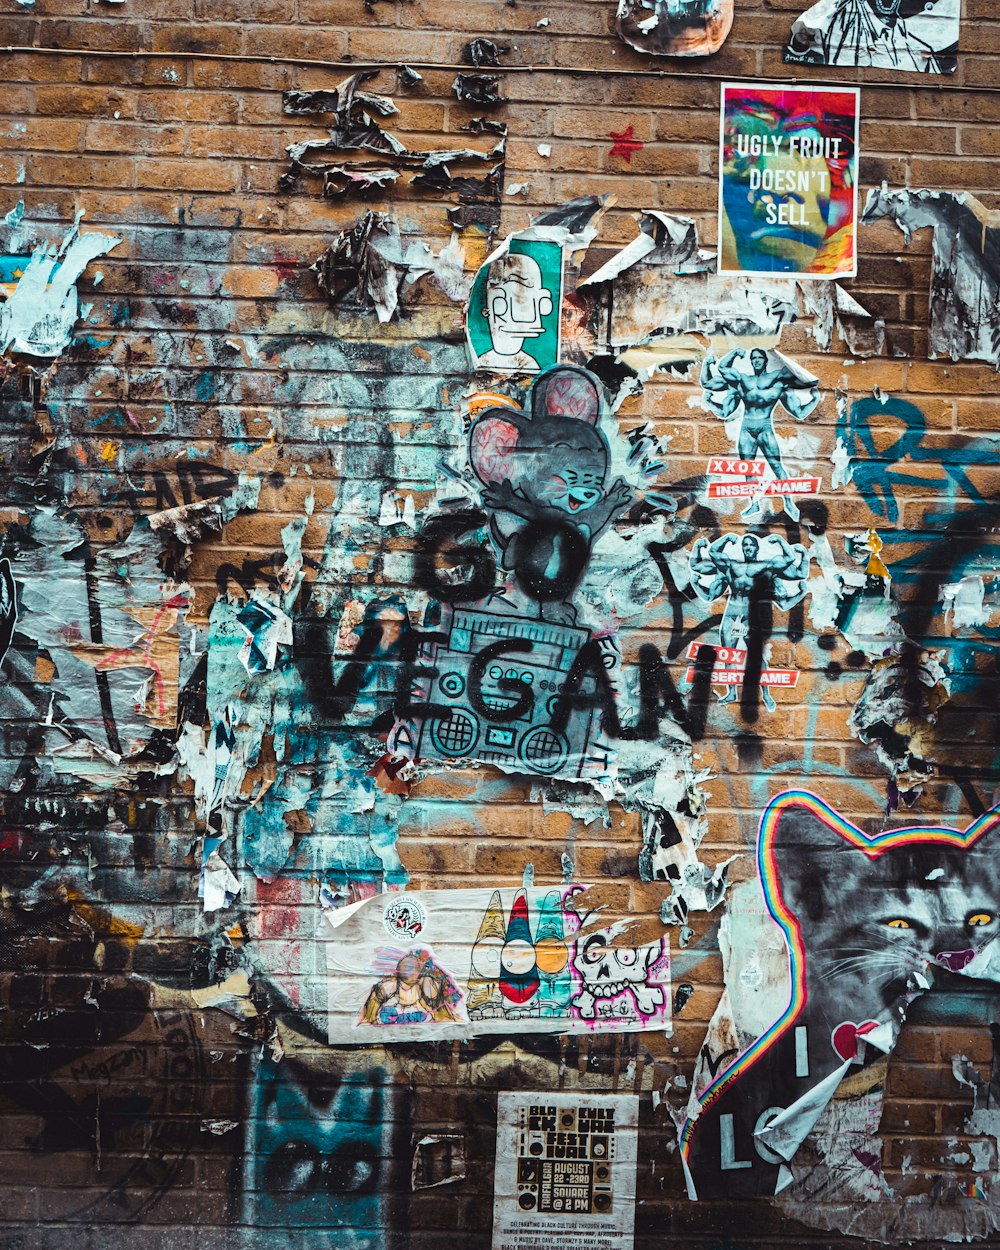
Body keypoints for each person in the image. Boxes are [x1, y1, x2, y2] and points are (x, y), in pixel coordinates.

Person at [689, 532, 809, 710]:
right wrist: (727, 537)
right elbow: (713, 553)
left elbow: (791, 561)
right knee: (728, 654)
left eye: (751, 545)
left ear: (757, 548)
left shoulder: (766, 567)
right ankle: (731, 692)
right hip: (732, 613)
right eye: (745, 545)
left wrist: (781, 541)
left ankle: (766, 694)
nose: (748, 548)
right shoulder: (731, 566)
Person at [701, 347, 819, 521]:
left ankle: (788, 503)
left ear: (765, 360)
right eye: (753, 358)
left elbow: (799, 412)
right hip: (746, 429)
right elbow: (721, 370)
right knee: (748, 468)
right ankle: (754, 503)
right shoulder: (743, 380)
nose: (756, 360)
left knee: (777, 467)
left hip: (764, 427)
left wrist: (814, 400)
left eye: (759, 358)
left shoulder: (778, 382)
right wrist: (734, 353)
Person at [476, 252, 554, 371]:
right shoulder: (481, 362)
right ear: (487, 311)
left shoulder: (529, 365)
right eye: (499, 303)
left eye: (521, 302)